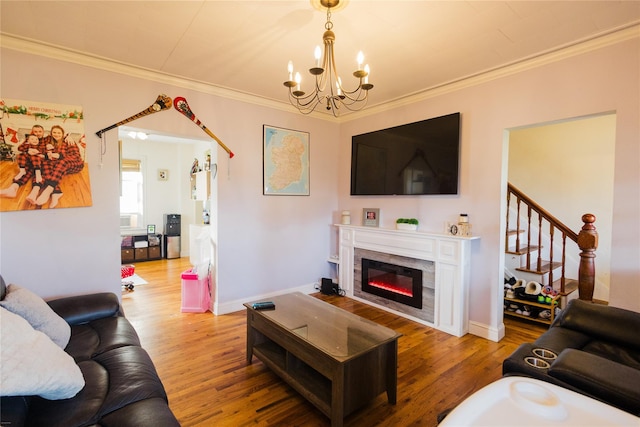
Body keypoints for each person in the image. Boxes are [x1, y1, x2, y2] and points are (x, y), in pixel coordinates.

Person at [35, 125, 83, 207]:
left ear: (63, 134)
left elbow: (76, 156)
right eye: (54, 132)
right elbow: (39, 143)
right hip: (58, 165)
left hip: (74, 163)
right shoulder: (48, 139)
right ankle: (56, 193)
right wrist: (47, 152)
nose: (56, 134)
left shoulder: (68, 141)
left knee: (62, 162)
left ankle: (48, 189)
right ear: (51, 133)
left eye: (59, 133)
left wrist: (59, 156)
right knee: (47, 164)